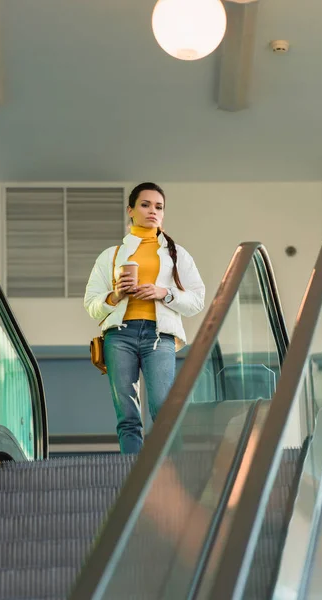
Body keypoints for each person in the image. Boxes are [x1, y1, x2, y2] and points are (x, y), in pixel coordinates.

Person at [84, 182, 205, 454]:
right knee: (127, 414)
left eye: (159, 207)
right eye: (145, 204)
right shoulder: (111, 255)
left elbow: (197, 300)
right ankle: (131, 474)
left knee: (163, 408)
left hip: (158, 336)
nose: (153, 211)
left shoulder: (177, 254)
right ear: (131, 210)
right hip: (119, 335)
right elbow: (91, 304)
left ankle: (173, 471)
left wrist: (164, 293)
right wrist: (115, 296)